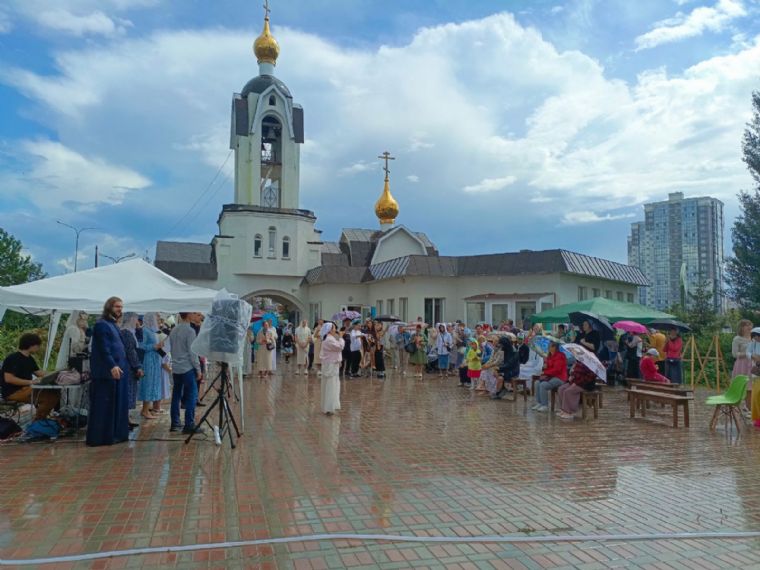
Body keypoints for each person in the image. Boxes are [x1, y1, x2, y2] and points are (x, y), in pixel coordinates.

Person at [87, 297, 129, 446]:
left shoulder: (113, 325)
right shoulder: (101, 325)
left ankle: (114, 434)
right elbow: (104, 349)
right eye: (117, 306)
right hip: (105, 374)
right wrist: (112, 365)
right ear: (109, 307)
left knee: (115, 406)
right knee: (104, 407)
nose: (120, 309)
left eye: (121, 307)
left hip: (116, 372)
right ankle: (102, 437)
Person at [1, 333, 60, 420]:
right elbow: (9, 379)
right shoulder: (12, 358)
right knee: (50, 397)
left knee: (54, 393)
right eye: (37, 345)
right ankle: (38, 421)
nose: (38, 348)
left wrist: (57, 374)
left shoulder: (29, 359)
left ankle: (42, 419)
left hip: (26, 388)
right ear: (31, 345)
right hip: (13, 392)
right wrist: (31, 382)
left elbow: (39, 373)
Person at [169, 312, 203, 434]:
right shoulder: (190, 331)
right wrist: (198, 369)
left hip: (176, 367)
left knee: (176, 395)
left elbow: (171, 349)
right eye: (194, 313)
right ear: (188, 315)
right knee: (192, 395)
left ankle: (175, 422)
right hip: (187, 368)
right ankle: (189, 423)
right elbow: (192, 353)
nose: (196, 315)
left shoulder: (173, 330)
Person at [119, 312, 144, 426]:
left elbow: (139, 340)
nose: (137, 322)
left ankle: (126, 418)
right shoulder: (126, 333)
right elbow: (131, 352)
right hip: (128, 367)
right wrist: (137, 366)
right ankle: (124, 420)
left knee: (129, 392)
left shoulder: (128, 332)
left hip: (128, 366)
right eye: (135, 319)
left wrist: (138, 329)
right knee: (127, 392)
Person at [138, 313, 164, 421]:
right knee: (148, 383)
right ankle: (145, 410)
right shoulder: (145, 330)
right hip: (148, 360)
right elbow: (140, 346)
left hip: (155, 359)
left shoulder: (154, 331)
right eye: (155, 318)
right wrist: (154, 346)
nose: (157, 320)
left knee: (153, 383)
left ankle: (148, 408)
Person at [532, 342, 568, 412]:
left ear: (554, 347)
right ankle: (539, 403)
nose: (548, 347)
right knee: (537, 383)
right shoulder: (549, 356)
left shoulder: (560, 356)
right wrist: (545, 367)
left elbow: (557, 370)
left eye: (550, 346)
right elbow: (548, 368)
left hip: (559, 378)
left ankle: (545, 405)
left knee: (543, 385)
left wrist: (545, 372)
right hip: (550, 377)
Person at [319, 322, 343, 415]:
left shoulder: (330, 338)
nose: (335, 330)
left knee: (334, 384)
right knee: (331, 384)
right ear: (329, 330)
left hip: (332, 363)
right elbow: (339, 347)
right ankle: (329, 407)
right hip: (330, 364)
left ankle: (333, 405)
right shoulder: (329, 339)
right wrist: (341, 338)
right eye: (334, 328)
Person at [732, 319, 753, 415]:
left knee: (752, 386)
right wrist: (747, 354)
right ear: (741, 327)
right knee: (745, 386)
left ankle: (749, 407)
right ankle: (746, 407)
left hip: (752, 364)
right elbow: (734, 354)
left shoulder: (754, 338)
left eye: (750, 325)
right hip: (742, 364)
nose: (749, 327)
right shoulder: (737, 339)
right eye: (746, 325)